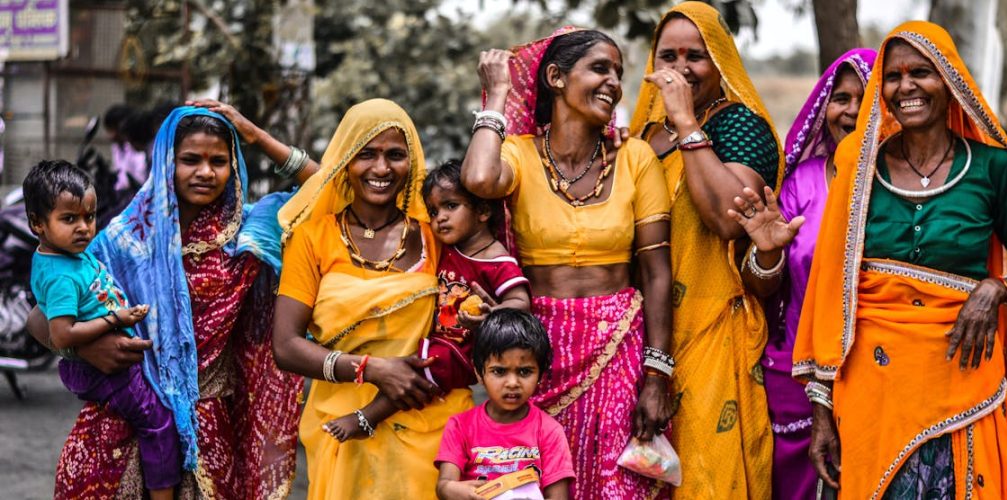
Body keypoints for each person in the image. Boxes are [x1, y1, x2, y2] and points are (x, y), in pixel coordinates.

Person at [794, 21, 1007, 498]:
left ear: (950, 81)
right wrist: (820, 409)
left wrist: (998, 288)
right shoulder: (860, 167)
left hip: (966, 388)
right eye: (893, 76)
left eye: (922, 72)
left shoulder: (993, 167)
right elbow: (828, 292)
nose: (906, 87)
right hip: (873, 393)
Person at [26, 107, 305, 498]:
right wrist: (88, 346)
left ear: (234, 166)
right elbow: (39, 319)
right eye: (190, 159)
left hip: (207, 434)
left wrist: (256, 135)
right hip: (121, 427)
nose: (205, 172)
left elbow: (330, 189)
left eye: (219, 161)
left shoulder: (248, 236)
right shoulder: (125, 239)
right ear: (166, 163)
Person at [463, 28, 676, 499]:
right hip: (537, 350)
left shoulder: (636, 158)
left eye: (618, 72)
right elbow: (478, 178)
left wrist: (657, 374)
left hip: (618, 345)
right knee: (533, 484)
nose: (614, 82)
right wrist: (497, 93)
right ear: (556, 77)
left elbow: (658, 274)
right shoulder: (517, 153)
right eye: (600, 68)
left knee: (616, 485)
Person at [628, 2, 800, 497]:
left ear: (720, 60)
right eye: (668, 56)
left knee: (707, 475)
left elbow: (728, 218)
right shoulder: (641, 137)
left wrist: (684, 122)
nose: (680, 69)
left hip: (711, 333)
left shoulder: (741, 127)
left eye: (695, 56)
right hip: (638, 334)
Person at [272, 98, 473, 498]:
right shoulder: (312, 238)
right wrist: (372, 369)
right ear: (347, 160)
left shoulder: (437, 235)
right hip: (342, 427)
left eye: (395, 155)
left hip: (430, 425)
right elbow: (286, 346)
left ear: (412, 161)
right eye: (367, 154)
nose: (381, 169)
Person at [322, 159, 530, 442]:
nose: (439, 218)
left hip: (462, 349)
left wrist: (494, 314)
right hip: (441, 340)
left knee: (416, 371)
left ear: (482, 211)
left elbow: (521, 301)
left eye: (450, 206)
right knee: (409, 363)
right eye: (433, 211)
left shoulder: (495, 259)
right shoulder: (448, 248)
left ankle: (367, 418)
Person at [25, 160, 178, 500]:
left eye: (89, 217)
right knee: (158, 422)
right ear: (38, 223)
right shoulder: (62, 274)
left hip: (104, 361)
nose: (83, 228)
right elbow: (60, 334)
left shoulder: (66, 255)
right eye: (69, 219)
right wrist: (115, 321)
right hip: (109, 371)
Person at [765, 48, 876, 499]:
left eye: (863, 99)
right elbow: (767, 284)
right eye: (841, 98)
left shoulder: (897, 187)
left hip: (873, 369)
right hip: (795, 372)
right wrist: (766, 253)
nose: (850, 112)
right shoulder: (802, 182)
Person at [435, 309, 574, 500]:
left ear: (540, 374)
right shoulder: (460, 426)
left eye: (524, 372)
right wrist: (462, 492)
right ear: (479, 373)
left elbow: (558, 497)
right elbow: (444, 486)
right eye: (499, 371)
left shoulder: (549, 431)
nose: (512, 383)